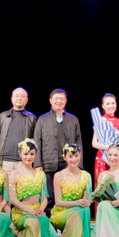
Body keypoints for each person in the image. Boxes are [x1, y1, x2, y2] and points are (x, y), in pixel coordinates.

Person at [33, 88, 83, 216]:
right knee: (49, 196)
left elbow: (79, 142)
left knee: (67, 195)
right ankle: (50, 224)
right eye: (56, 99)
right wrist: (37, 163)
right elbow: (37, 142)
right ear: (50, 100)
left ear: (65, 101)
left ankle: (66, 221)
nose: (59, 101)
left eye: (61, 99)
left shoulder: (73, 119)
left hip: (68, 164)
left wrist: (79, 164)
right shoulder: (42, 119)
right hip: (48, 164)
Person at [8, 139, 60, 237]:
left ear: (35, 154)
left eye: (31, 154)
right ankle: (19, 232)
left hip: (37, 212)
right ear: (20, 154)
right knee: (38, 227)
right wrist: (30, 211)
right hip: (22, 213)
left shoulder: (40, 174)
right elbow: (13, 199)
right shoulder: (15, 173)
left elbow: (44, 198)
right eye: (25, 154)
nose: (29, 157)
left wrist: (40, 209)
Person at [50, 144, 93, 237]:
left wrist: (84, 202)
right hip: (61, 213)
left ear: (80, 155)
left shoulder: (86, 175)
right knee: (79, 209)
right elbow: (58, 202)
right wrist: (77, 203)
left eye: (76, 156)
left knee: (85, 208)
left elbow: (86, 201)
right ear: (65, 157)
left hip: (78, 211)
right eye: (70, 156)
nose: (74, 159)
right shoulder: (59, 175)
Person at [0, 87, 37, 177]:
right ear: (12, 99)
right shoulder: (1, 117)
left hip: (24, 161)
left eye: (22, 96)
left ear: (26, 100)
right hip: (5, 162)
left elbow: (35, 141)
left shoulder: (32, 118)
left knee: (23, 185)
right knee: (5, 185)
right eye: (17, 96)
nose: (19, 98)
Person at [92, 93, 119, 183]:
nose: (111, 106)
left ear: (116, 104)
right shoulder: (100, 120)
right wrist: (108, 148)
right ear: (103, 106)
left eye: (113, 103)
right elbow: (94, 143)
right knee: (104, 186)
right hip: (104, 157)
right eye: (108, 104)